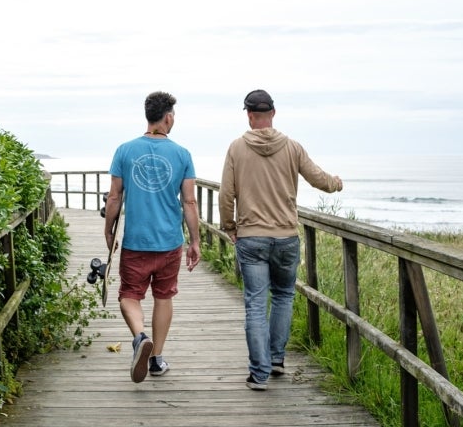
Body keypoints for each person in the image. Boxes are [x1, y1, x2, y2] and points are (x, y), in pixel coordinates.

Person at [218, 89, 343, 391]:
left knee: (256, 304)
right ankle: (276, 359)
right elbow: (318, 179)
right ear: (273, 113)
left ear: (249, 116)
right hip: (286, 237)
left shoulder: (236, 148)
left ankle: (259, 373)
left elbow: (226, 194)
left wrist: (230, 227)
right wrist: (337, 183)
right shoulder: (292, 147)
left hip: (251, 239)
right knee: (284, 296)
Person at [104, 91, 201, 384]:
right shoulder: (183, 154)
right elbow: (189, 202)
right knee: (163, 296)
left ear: (149, 116)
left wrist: (108, 231)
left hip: (136, 242)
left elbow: (114, 196)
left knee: (129, 296)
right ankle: (156, 359)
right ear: (168, 117)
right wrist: (195, 241)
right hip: (170, 241)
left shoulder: (124, 150)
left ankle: (139, 337)